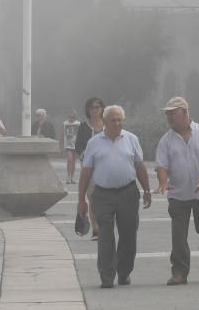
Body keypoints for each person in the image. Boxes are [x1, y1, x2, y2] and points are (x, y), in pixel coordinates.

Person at [77, 105, 152, 289]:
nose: (117, 123)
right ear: (104, 121)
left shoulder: (131, 139)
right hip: (102, 195)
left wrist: (147, 190)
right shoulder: (94, 143)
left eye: (120, 120)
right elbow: (86, 173)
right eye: (113, 120)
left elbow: (140, 166)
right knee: (105, 235)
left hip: (128, 192)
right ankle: (107, 276)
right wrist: (81, 200)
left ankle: (124, 272)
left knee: (128, 235)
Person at [155, 96, 199, 286]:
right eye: (167, 114)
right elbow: (161, 165)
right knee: (178, 236)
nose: (169, 118)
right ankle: (180, 272)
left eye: (173, 113)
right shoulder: (166, 140)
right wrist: (163, 182)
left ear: (184, 113)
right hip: (178, 195)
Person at [76, 97, 105, 239]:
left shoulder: (108, 125)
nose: (95, 110)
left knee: (105, 198)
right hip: (89, 168)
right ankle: (96, 228)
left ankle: (104, 225)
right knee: (92, 197)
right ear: (88, 110)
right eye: (92, 107)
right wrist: (84, 155)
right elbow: (78, 146)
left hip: (106, 167)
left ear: (102, 108)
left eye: (97, 107)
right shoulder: (83, 126)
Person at [63, 110, 80, 184]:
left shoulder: (79, 124)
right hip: (68, 145)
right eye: (70, 117)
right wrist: (60, 145)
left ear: (75, 117)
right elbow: (61, 135)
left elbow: (81, 134)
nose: (71, 118)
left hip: (75, 145)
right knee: (69, 160)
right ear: (68, 117)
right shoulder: (64, 123)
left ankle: (72, 177)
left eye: (73, 117)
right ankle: (68, 177)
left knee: (73, 162)